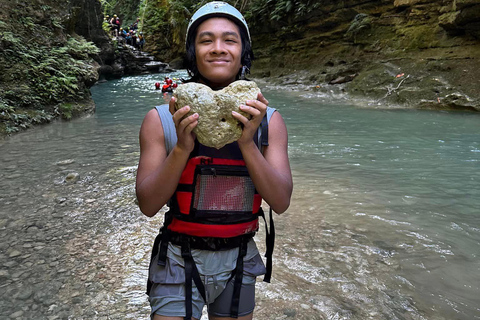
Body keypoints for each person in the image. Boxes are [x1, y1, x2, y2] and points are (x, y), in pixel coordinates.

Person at [136, 2, 292, 320]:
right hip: (178, 258)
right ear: (193, 50)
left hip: (238, 260)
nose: (218, 49)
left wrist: (247, 142)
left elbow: (280, 200)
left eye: (229, 40)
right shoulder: (161, 120)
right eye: (206, 40)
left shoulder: (269, 122)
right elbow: (148, 204)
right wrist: (182, 147)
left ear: (242, 50)